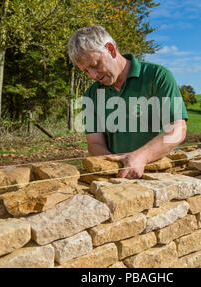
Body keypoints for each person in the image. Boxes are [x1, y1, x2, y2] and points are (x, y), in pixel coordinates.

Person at [68, 25, 188, 179]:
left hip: (162, 175)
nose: (92, 75)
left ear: (110, 49)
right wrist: (117, 162)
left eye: (95, 65)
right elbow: (94, 143)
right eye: (85, 71)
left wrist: (140, 157)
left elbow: (177, 130)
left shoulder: (158, 76)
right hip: (120, 176)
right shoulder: (91, 94)